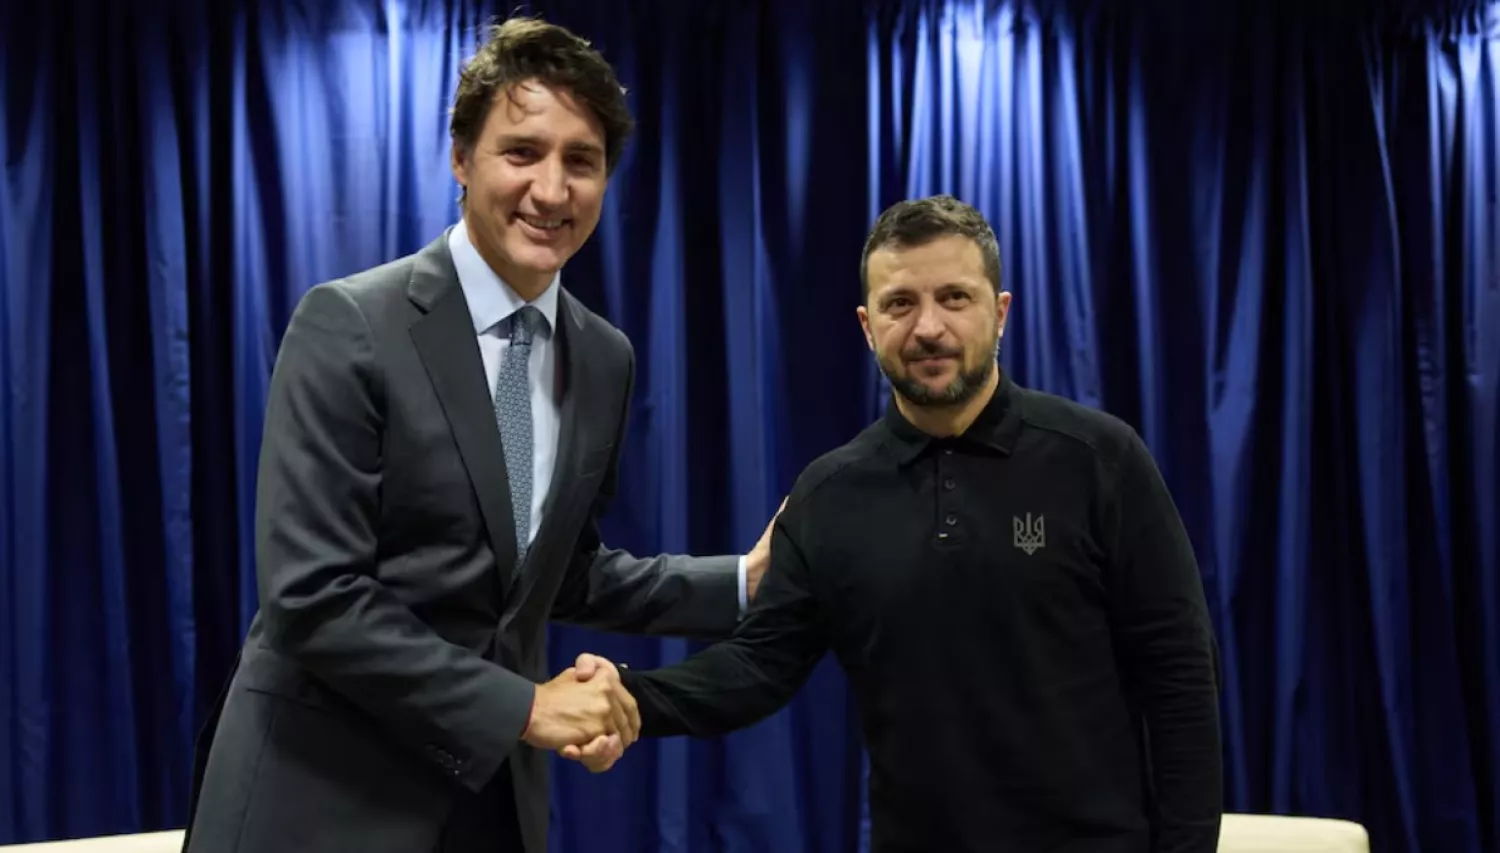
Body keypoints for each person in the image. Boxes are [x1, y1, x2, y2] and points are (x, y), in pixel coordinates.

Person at [182, 15, 780, 853]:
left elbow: (554, 574)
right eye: (522, 152)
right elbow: (314, 597)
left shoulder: (604, 357)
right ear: (461, 160)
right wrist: (528, 706)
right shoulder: (351, 322)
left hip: (487, 810)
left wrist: (743, 582)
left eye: (582, 160)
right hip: (317, 804)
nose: (552, 189)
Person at [566, 195, 1224, 852]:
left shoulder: (1100, 460)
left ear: (999, 313)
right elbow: (756, 667)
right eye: (900, 303)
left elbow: (1179, 678)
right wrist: (628, 697)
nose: (928, 327)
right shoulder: (830, 493)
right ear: (867, 324)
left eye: (955, 298)